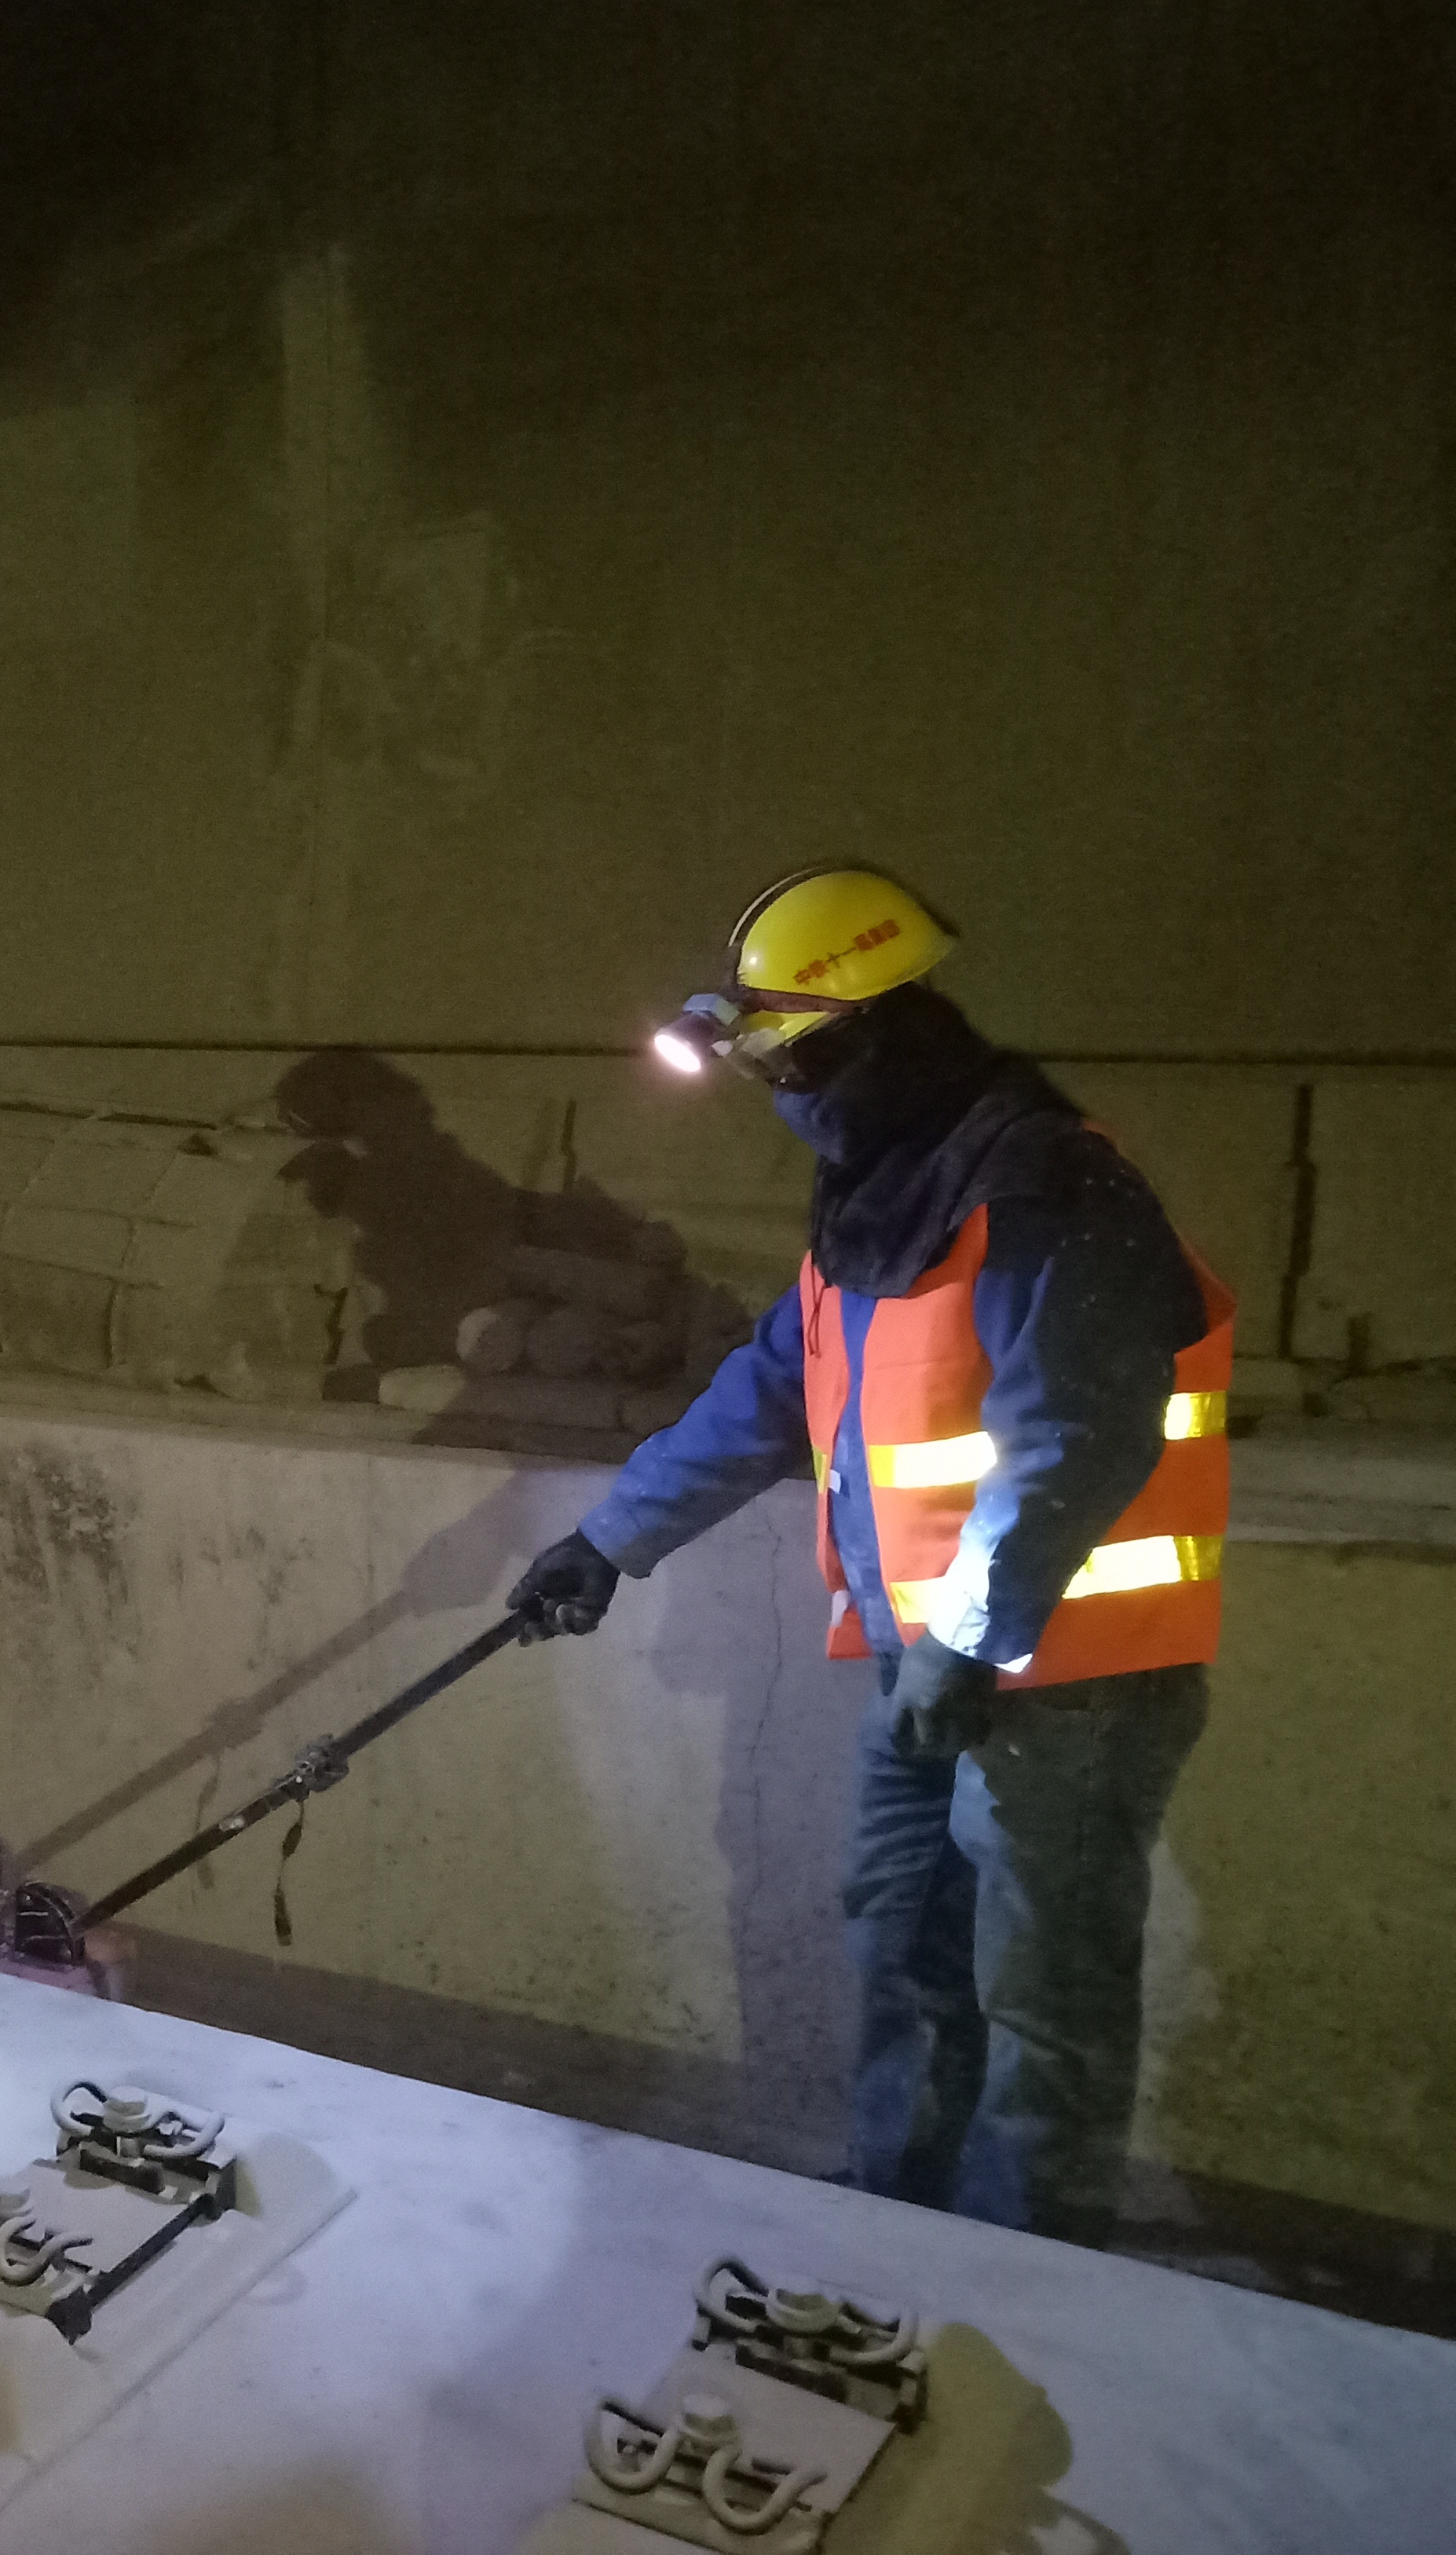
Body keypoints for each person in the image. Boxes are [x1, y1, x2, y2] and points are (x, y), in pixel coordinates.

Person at [510, 865, 1229, 2246]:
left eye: (805, 1064)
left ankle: (1029, 2272)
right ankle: (896, 2232)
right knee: (900, 1939)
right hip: (930, 1665)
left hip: (1067, 1680)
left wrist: (970, 1634)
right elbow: (773, 1389)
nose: (789, 1100)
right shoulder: (882, 1203)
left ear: (889, 1037)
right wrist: (611, 1538)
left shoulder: (1043, 1186)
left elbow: (1074, 1437)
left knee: (1044, 1991)